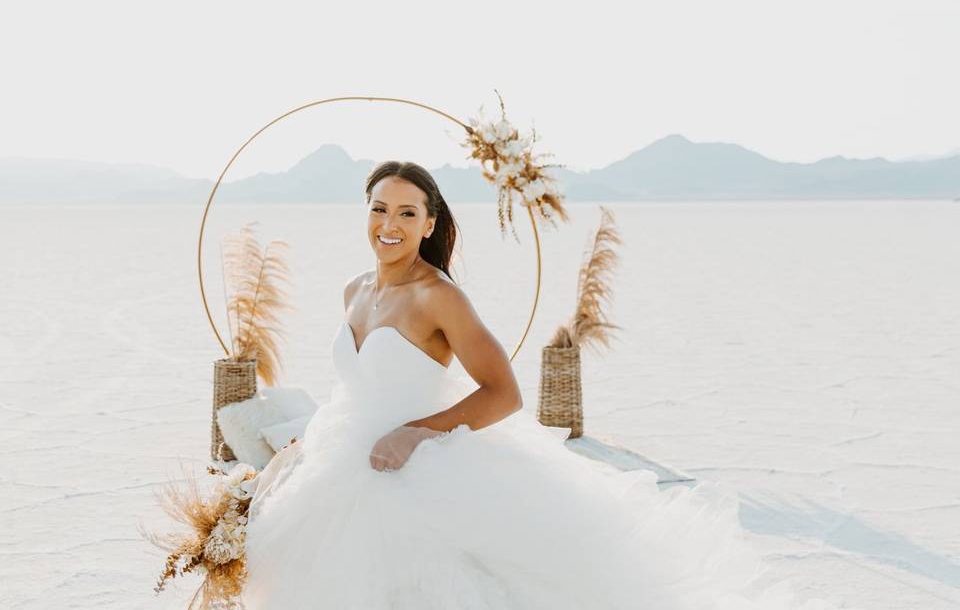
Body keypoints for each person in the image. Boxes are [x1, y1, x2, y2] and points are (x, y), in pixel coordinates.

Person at [239, 161, 835, 609]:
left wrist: (415, 434)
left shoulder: (439, 296)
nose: (388, 225)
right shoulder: (354, 289)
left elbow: (504, 393)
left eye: (406, 213)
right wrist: (304, 446)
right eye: (378, 208)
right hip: (341, 461)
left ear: (429, 223)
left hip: (417, 464)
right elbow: (356, 389)